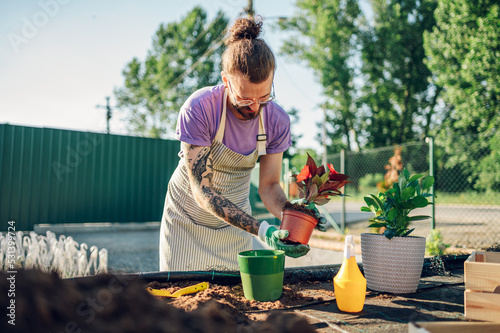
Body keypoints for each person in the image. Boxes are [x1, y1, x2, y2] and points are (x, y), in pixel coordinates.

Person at [159, 16, 324, 271]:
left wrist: (294, 215)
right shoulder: (199, 108)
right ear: (225, 81)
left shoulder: (276, 121)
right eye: (245, 99)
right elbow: (202, 192)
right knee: (180, 301)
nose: (255, 107)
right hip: (187, 220)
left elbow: (269, 186)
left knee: (235, 303)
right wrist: (262, 230)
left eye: (265, 97)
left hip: (235, 226)